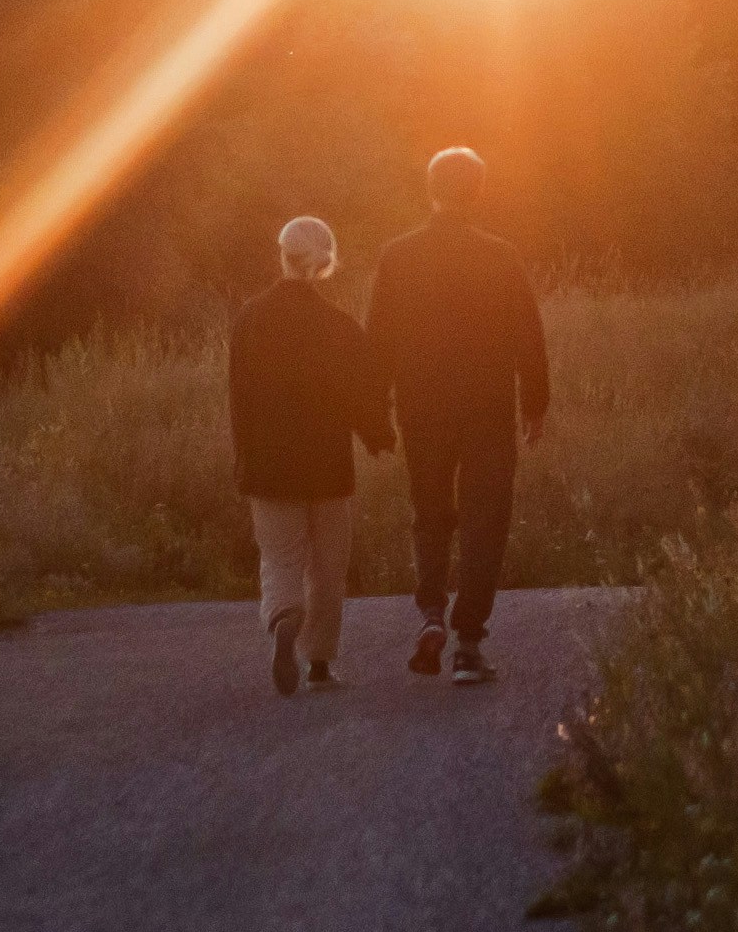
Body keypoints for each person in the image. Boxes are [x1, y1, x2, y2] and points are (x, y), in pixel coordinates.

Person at [365, 147, 549, 686]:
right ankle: (469, 642)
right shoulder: (500, 256)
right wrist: (534, 404)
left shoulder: (398, 256)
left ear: (431, 191)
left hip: (422, 408)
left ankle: (430, 615)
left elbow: (379, 340)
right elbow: (528, 336)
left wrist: (375, 415)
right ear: (479, 192)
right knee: (484, 517)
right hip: (487, 408)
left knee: (431, 511)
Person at [226, 215, 390, 695]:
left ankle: (283, 618)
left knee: (280, 558)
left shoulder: (250, 320)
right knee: (327, 565)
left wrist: (246, 463)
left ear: (282, 256)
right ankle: (318, 664)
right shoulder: (339, 327)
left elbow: (239, 398)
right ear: (326, 263)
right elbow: (363, 393)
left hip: (269, 469)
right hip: (327, 469)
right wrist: (379, 435)